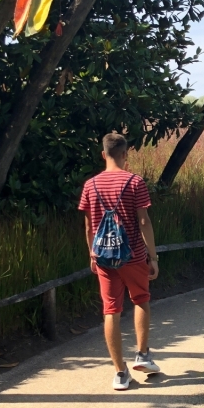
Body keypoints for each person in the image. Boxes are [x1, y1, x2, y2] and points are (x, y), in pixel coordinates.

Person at [78, 132, 159, 391]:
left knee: (111, 310)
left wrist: (92, 253)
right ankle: (143, 354)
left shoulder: (90, 185)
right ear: (125, 155)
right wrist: (153, 256)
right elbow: (143, 221)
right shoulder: (135, 182)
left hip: (103, 256)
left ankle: (120, 373)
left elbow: (90, 226)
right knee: (141, 299)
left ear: (103, 154)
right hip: (133, 254)